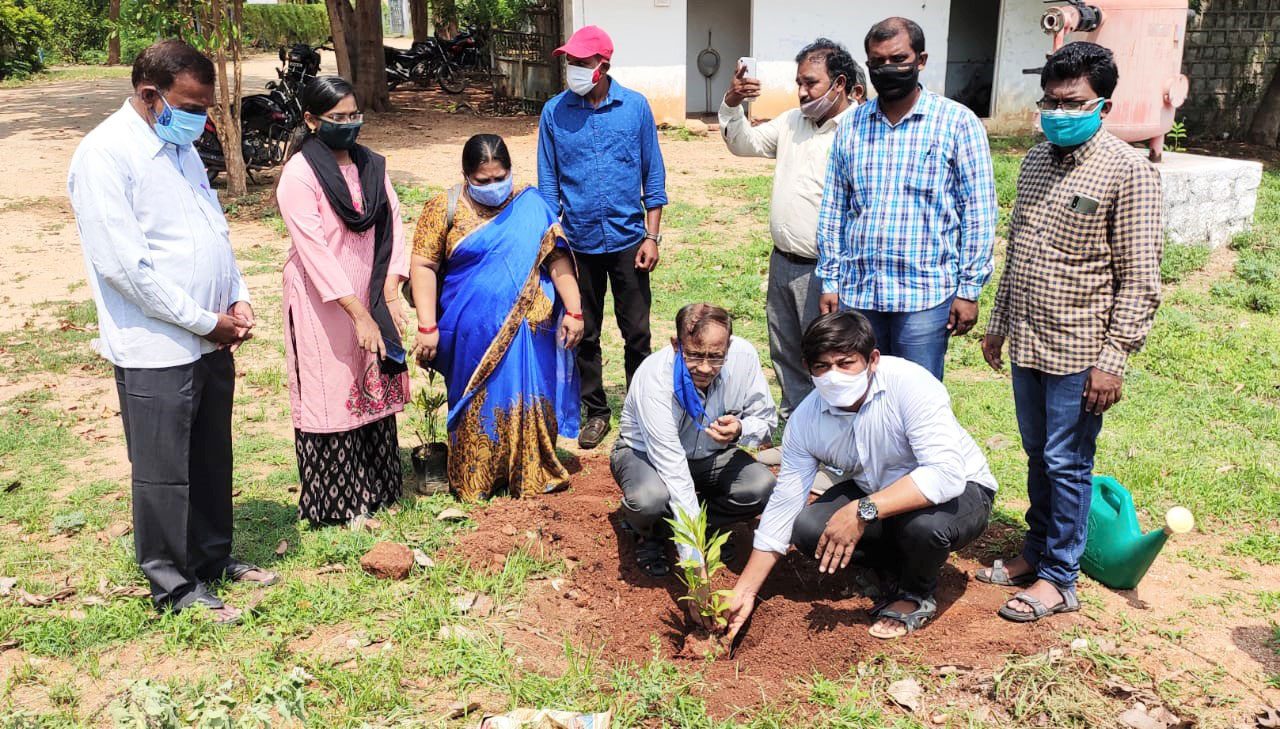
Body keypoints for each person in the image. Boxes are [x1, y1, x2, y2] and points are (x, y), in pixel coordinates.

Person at [67, 40, 276, 624]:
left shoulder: (180, 146)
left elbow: (213, 228)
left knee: (211, 457)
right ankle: (173, 585)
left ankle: (211, 560)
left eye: (208, 105)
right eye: (192, 104)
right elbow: (125, 268)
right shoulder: (105, 155)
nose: (203, 118)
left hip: (213, 334)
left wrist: (237, 295)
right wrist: (204, 321)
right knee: (163, 470)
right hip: (157, 344)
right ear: (149, 95)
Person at [978, 42, 1162, 622]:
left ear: (1102, 106)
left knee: (1067, 460)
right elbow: (1020, 254)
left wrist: (1114, 359)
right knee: (1037, 454)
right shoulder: (1034, 162)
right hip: (1029, 340)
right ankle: (1036, 550)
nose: (1059, 112)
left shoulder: (1128, 172)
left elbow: (1140, 279)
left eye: (1073, 102)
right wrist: (999, 323)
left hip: (1081, 349)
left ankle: (1060, 576)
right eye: (1051, 102)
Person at [724, 311, 997, 640]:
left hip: (962, 489)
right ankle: (889, 569)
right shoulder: (806, 421)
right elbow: (784, 505)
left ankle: (915, 594)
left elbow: (945, 475)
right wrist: (745, 591)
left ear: (872, 360)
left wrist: (862, 509)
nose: (834, 375)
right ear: (808, 368)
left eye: (845, 363)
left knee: (924, 528)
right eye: (822, 367)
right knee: (809, 529)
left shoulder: (910, 384)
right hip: (878, 487)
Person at [816, 17, 997, 381]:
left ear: (921, 60)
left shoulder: (956, 123)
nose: (888, 69)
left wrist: (969, 289)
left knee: (918, 397)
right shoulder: (852, 125)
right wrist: (830, 280)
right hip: (861, 292)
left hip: (925, 298)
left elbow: (978, 212)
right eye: (877, 62)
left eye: (898, 59)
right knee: (860, 392)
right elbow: (834, 208)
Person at [410, 134, 584, 502]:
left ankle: (531, 472)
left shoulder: (531, 204)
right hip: (469, 336)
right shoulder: (443, 208)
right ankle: (479, 480)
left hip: (528, 330)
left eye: (499, 177)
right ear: (465, 175)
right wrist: (427, 326)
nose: (494, 187)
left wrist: (574, 309)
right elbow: (424, 265)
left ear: (510, 171)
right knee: (476, 405)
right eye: (483, 181)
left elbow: (557, 259)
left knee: (529, 398)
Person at [276, 77, 410, 526]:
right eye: (339, 118)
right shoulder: (299, 174)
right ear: (312, 120)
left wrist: (389, 292)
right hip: (322, 300)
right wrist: (355, 312)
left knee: (369, 383)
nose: (350, 125)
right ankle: (340, 504)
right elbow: (313, 248)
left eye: (355, 115)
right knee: (331, 388)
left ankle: (379, 490)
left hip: (368, 289)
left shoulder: (371, 165)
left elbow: (394, 224)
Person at [720, 38, 866, 420]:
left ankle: (837, 434)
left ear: (839, 84)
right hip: (783, 262)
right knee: (787, 350)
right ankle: (797, 431)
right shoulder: (791, 122)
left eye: (811, 83)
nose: (802, 91)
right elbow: (743, 143)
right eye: (799, 82)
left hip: (829, 271)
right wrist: (733, 102)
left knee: (830, 354)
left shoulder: (859, 130)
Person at [537, 25, 668, 450]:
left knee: (637, 333)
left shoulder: (635, 109)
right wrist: (553, 241)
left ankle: (640, 410)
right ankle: (596, 411)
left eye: (580, 62)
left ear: (603, 66)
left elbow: (654, 176)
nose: (572, 69)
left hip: (630, 241)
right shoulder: (555, 113)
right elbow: (549, 184)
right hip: (578, 244)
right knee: (584, 332)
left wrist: (652, 237)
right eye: (569, 62)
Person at [611, 303, 777, 579]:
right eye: (695, 355)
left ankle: (695, 529)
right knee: (649, 500)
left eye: (715, 357)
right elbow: (674, 471)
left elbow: (767, 421)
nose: (704, 367)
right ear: (676, 344)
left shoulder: (744, 357)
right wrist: (696, 571)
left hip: (711, 454)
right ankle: (648, 533)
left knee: (761, 486)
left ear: (729, 345)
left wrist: (740, 428)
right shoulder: (656, 380)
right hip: (646, 456)